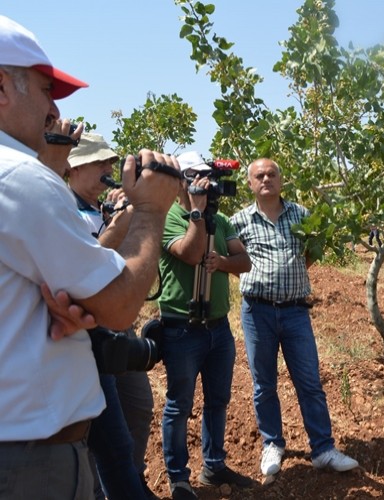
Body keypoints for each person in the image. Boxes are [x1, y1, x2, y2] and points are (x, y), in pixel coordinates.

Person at [0, 14, 180, 500]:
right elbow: (120, 305)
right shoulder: (18, 178)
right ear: (1, 86)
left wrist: (79, 304)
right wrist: (150, 209)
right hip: (29, 459)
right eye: (45, 89)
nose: (54, 109)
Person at [230, 158, 359, 477]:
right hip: (256, 311)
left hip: (295, 311)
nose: (266, 179)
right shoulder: (238, 221)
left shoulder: (302, 215)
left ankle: (323, 449)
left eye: (272, 174)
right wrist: (259, 284)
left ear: (281, 180)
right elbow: (234, 262)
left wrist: (291, 276)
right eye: (259, 175)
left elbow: (313, 252)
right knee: (264, 383)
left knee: (310, 381)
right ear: (250, 183)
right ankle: (272, 444)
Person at [157, 151, 253, 500]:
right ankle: (178, 478)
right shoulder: (169, 216)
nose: (204, 183)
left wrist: (224, 262)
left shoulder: (221, 219)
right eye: (195, 176)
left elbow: (244, 261)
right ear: (180, 181)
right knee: (179, 404)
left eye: (206, 176)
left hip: (218, 327)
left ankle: (213, 465)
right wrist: (196, 214)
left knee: (218, 400)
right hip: (181, 326)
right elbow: (189, 253)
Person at [67, 133, 157, 500]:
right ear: (74, 167)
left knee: (139, 408)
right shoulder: (63, 210)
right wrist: (117, 224)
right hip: (88, 339)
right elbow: (81, 272)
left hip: (119, 328)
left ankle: (130, 479)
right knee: (105, 433)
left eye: (109, 163)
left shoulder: (103, 209)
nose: (109, 170)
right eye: (100, 163)